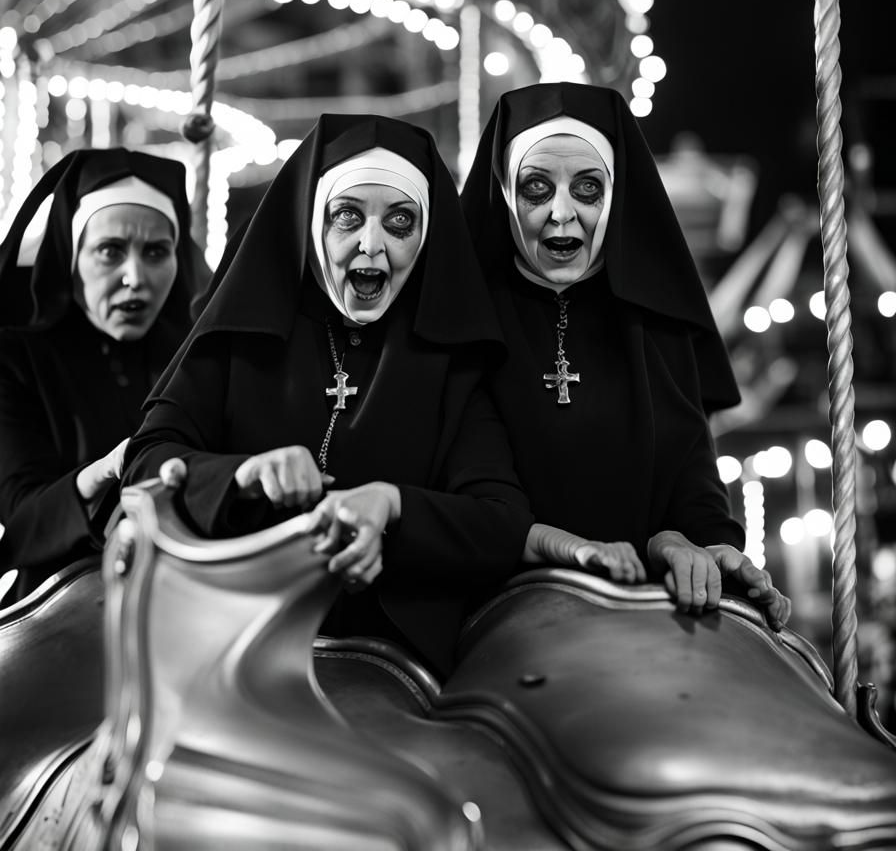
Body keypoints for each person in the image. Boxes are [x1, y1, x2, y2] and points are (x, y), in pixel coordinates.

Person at [121, 114, 533, 678]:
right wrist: (242, 475)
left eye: (400, 222)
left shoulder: (448, 358)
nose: (373, 244)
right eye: (348, 217)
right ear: (314, 224)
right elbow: (145, 463)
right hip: (226, 640)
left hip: (388, 663)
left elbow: (502, 522)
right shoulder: (242, 333)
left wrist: (392, 507)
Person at [460, 81, 791, 630]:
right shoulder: (467, 323)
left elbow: (691, 476)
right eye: (536, 187)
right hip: (494, 621)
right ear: (503, 191)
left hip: (644, 617)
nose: (562, 214)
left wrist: (708, 544)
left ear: (615, 195)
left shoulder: (657, 321)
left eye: (586, 189)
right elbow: (469, 497)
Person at [0, 147, 206, 605]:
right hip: (53, 614)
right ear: (72, 256)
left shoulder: (196, 355)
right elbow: (22, 521)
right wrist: (105, 471)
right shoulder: (15, 357)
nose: (135, 276)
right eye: (111, 251)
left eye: (156, 251)